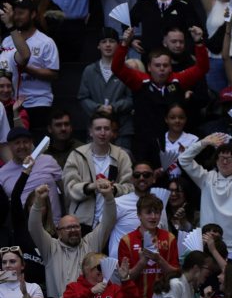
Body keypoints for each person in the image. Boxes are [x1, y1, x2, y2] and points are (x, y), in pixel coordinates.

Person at [111, 25, 209, 164]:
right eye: (157, 65)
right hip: (144, 143)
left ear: (170, 67)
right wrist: (124, 44)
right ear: (149, 67)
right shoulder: (140, 81)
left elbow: (202, 68)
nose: (162, 69)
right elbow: (117, 68)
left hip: (173, 142)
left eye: (165, 65)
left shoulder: (178, 80)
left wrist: (199, 43)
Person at [178, 130, 232, 267]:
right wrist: (204, 142)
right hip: (207, 245)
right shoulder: (205, 179)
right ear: (216, 161)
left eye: (229, 159)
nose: (224, 162)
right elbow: (183, 159)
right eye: (221, 158)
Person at [0, 0, 59, 139]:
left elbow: (53, 74)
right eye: (15, 13)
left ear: (33, 14)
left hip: (38, 101)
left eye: (21, 13)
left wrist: (23, 68)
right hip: (14, 102)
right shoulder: (7, 41)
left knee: (36, 144)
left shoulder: (46, 42)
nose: (17, 17)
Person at [62, 114, 134, 228]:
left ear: (112, 132)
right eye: (98, 128)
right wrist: (91, 186)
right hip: (82, 221)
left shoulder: (121, 156)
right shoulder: (77, 155)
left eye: (106, 128)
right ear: (90, 132)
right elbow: (69, 189)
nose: (102, 132)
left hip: (114, 220)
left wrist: (114, 189)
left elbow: (130, 188)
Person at [77, 28, 134, 146]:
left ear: (118, 45)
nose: (108, 45)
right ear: (98, 46)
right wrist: (98, 108)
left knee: (123, 156)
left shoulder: (127, 70)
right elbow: (83, 97)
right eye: (104, 41)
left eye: (112, 41)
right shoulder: (89, 71)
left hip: (122, 128)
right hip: (97, 128)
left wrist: (114, 107)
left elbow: (131, 98)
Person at [118, 194, 179, 298]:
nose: (153, 216)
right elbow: (125, 278)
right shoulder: (126, 241)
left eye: (157, 212)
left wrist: (159, 260)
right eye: (148, 212)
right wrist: (142, 262)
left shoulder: (170, 238)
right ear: (139, 215)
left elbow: (177, 275)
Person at [0, 126, 63, 222]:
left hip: (54, 225)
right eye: (17, 143)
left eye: (25, 142)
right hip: (23, 227)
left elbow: (64, 188)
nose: (22, 146)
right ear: (9, 146)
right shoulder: (2, 173)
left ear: (31, 143)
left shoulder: (47, 160)